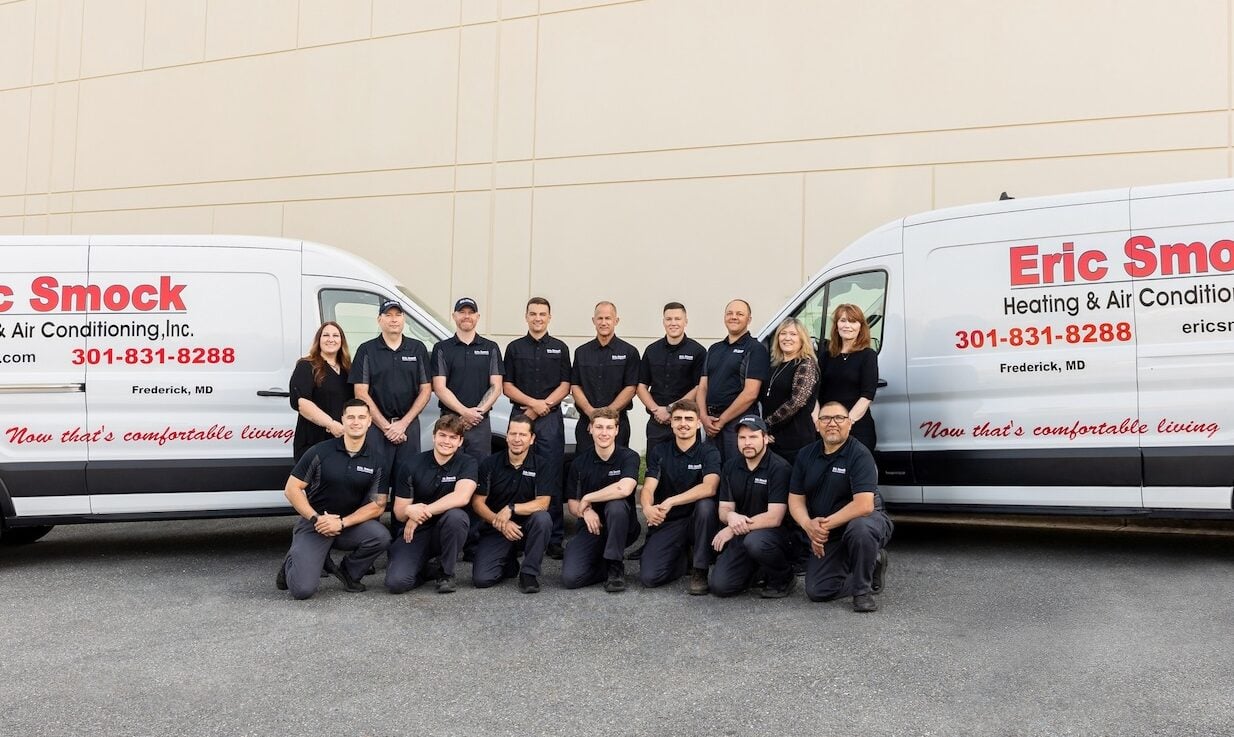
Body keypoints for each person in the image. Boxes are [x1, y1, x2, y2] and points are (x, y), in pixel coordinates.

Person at [276, 399, 391, 599]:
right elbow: (292, 489)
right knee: (302, 590)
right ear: (343, 420)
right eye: (351, 417)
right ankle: (290, 563)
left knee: (380, 537)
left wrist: (342, 522)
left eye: (362, 417)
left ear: (370, 422)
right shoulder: (320, 451)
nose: (356, 422)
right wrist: (315, 518)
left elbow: (378, 505)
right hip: (315, 524)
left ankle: (349, 572)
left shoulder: (377, 460)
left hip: (348, 525)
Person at [788, 401, 892, 612]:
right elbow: (795, 499)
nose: (832, 423)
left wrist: (821, 527)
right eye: (825, 418)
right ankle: (869, 567)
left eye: (839, 418)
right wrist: (809, 525)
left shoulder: (859, 454)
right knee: (818, 591)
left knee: (860, 529)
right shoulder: (805, 454)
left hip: (866, 520)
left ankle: (862, 592)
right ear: (817, 425)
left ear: (849, 424)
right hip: (830, 528)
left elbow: (863, 505)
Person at [503, 297, 572, 560]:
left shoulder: (560, 348)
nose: (538, 318)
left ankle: (553, 537)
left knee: (551, 474)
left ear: (549, 317)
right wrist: (533, 405)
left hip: (550, 419)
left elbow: (565, 384)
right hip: (521, 414)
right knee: (518, 472)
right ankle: (520, 533)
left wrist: (545, 406)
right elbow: (507, 386)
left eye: (543, 314)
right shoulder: (514, 348)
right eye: (533, 314)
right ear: (526, 316)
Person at [384, 415, 479, 594]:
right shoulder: (411, 464)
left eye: (453, 438)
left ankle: (446, 573)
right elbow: (399, 512)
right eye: (443, 435)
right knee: (396, 583)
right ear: (434, 436)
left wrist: (421, 512)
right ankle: (427, 569)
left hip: (447, 529)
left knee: (456, 517)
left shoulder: (467, 463)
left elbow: (462, 497)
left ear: (460, 442)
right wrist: (408, 512)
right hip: (415, 533)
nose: (447, 441)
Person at [350, 299, 432, 504]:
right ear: (379, 320)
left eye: (398, 315)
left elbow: (426, 390)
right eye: (388, 315)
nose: (393, 320)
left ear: (404, 319)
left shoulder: (417, 348)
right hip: (377, 429)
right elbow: (360, 392)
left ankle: (402, 535)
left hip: (408, 429)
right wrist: (387, 427)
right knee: (374, 484)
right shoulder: (366, 350)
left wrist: (402, 424)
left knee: (406, 485)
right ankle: (372, 534)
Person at [638, 399, 721, 594]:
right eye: (678, 419)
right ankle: (682, 559)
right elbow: (648, 487)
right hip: (669, 521)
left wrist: (671, 500)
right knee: (649, 577)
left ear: (698, 422)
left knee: (706, 505)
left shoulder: (709, 452)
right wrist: (647, 508)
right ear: (671, 423)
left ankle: (699, 569)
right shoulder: (660, 451)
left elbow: (709, 487)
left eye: (689, 419)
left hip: (698, 522)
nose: (683, 423)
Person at [708, 415, 795, 598]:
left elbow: (774, 517)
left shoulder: (779, 468)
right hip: (743, 533)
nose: (747, 443)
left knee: (755, 542)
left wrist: (732, 530)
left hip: (773, 536)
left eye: (753, 437)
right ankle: (758, 570)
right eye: (742, 438)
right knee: (720, 586)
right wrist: (731, 517)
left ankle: (784, 577)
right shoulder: (731, 467)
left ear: (765, 438)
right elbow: (724, 509)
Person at [560, 408, 640, 592]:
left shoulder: (628, 456)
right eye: (599, 427)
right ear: (590, 429)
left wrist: (588, 498)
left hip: (623, 526)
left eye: (609, 428)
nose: (604, 433)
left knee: (616, 506)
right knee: (571, 578)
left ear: (617, 430)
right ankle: (604, 563)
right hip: (592, 528)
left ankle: (615, 566)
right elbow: (573, 503)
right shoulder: (579, 463)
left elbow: (625, 488)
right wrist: (586, 511)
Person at [471, 415, 552, 593]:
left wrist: (512, 508)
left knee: (542, 519)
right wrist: (499, 523)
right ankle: (508, 561)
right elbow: (477, 503)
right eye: (513, 434)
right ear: (506, 436)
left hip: (528, 528)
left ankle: (529, 573)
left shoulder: (542, 465)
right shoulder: (490, 464)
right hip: (497, 527)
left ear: (532, 439)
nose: (517, 439)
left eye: (522, 435)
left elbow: (543, 503)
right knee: (482, 579)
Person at [431, 297, 504, 462]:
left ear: (477, 317)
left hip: (480, 424)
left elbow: (496, 386)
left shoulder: (490, 347)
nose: (466, 316)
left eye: (471, 312)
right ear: (454, 316)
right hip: (449, 422)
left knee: (479, 473)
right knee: (447, 470)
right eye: (462, 312)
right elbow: (439, 387)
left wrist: (475, 415)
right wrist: (464, 413)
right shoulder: (442, 348)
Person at [698, 299, 770, 463]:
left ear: (749, 319)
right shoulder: (714, 349)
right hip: (710, 422)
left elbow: (751, 393)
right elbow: (702, 387)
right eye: (730, 313)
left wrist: (721, 421)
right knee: (712, 472)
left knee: (735, 472)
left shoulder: (755, 349)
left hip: (737, 424)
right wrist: (703, 416)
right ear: (724, 317)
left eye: (740, 314)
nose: (734, 317)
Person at [570, 301, 640, 453]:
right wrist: (591, 414)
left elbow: (631, 388)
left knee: (616, 469)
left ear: (616, 321)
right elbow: (575, 386)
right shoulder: (581, 352)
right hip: (586, 422)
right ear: (593, 321)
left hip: (617, 422)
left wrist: (605, 417)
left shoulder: (629, 352)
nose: (603, 322)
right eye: (600, 318)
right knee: (585, 469)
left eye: (608, 318)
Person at [636, 301, 706, 452]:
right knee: (655, 468)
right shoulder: (651, 350)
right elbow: (641, 386)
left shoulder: (698, 351)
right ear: (663, 322)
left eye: (677, 319)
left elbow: (699, 387)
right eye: (669, 319)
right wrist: (657, 410)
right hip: (657, 423)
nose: (673, 323)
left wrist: (671, 409)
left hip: (686, 422)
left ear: (685, 321)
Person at [817, 303, 879, 451]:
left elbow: (867, 395)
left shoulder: (868, 355)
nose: (847, 326)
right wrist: (820, 422)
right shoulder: (826, 356)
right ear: (836, 325)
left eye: (852, 321)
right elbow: (816, 393)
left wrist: (845, 423)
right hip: (828, 428)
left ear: (860, 327)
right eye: (843, 320)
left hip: (856, 427)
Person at [289, 321, 354, 462]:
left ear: (341, 341)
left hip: (343, 441)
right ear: (319, 340)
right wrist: (331, 424)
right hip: (314, 441)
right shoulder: (306, 366)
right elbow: (302, 403)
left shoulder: (348, 369)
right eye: (326, 335)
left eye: (336, 335)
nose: (331, 339)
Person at [762, 317, 820, 465]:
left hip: (796, 441)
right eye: (783, 333)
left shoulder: (806, 364)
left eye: (793, 334)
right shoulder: (774, 366)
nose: (787, 338)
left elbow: (796, 402)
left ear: (802, 339)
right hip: (773, 439)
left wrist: (766, 426)